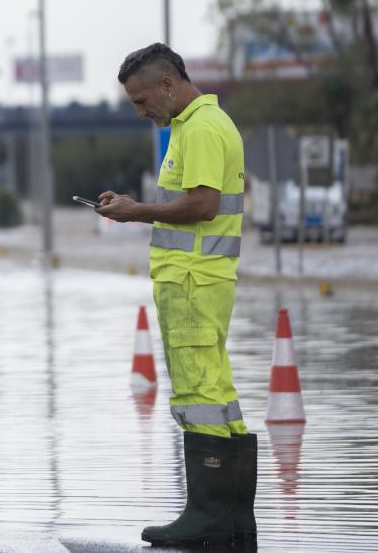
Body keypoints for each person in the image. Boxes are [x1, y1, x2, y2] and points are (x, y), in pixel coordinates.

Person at [95, 43, 256, 548]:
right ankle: (232, 519)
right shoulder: (194, 126)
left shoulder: (203, 128)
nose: (141, 112)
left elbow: (203, 206)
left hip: (192, 280)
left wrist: (135, 211)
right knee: (219, 396)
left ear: (168, 86)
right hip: (199, 278)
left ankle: (206, 515)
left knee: (197, 395)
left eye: (143, 101)